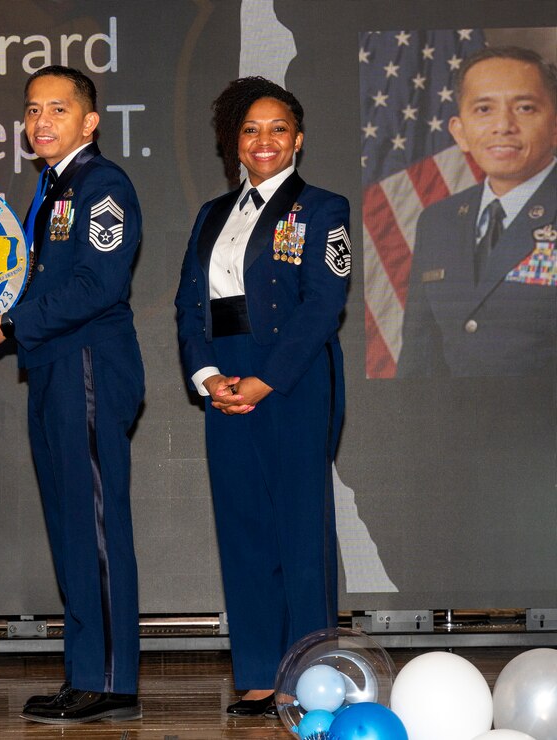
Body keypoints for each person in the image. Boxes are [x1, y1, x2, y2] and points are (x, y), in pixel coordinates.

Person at [0, 66, 145, 725]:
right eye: (33, 110)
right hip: (54, 367)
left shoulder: (104, 185)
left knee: (93, 525)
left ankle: (113, 681)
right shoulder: (52, 187)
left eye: (57, 110)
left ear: (89, 122)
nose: (41, 122)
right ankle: (84, 672)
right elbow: (34, 284)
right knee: (71, 525)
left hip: (89, 364)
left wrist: (5, 325)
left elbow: (98, 285)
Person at [174, 77, 349, 717]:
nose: (264, 139)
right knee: (243, 529)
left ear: (298, 140)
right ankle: (254, 672)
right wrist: (208, 377)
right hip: (227, 378)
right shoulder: (210, 215)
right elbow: (190, 307)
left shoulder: (323, 209)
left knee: (299, 535)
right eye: (251, 129)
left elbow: (322, 306)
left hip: (292, 378)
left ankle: (311, 677)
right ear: (234, 143)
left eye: (278, 128)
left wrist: (265, 379)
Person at [397, 46, 557, 377]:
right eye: (484, 109)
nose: (503, 126)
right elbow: (419, 354)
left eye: (525, 108)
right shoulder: (438, 220)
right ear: (460, 131)